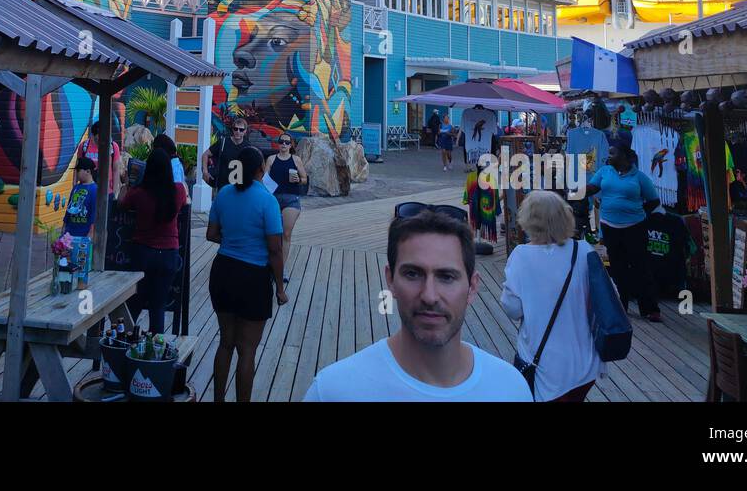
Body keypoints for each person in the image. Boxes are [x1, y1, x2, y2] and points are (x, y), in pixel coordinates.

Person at [304, 207, 531, 401]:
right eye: (413, 274)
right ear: (390, 280)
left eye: (446, 277)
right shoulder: (334, 392)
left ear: (472, 287)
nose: (429, 296)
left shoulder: (512, 390)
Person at [501, 191, 603, 401]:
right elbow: (609, 297)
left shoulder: (521, 256)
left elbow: (512, 309)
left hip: (543, 364)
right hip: (585, 363)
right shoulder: (583, 250)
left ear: (528, 219)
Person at [207, 145, 286, 402]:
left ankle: (218, 399)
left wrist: (235, 240)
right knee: (247, 351)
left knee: (225, 343)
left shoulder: (224, 194)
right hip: (253, 278)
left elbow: (211, 234)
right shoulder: (267, 201)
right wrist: (280, 289)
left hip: (223, 271)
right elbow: (275, 249)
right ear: (260, 170)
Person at [585, 144, 661, 322]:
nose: (608, 156)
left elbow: (653, 200)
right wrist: (575, 191)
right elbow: (593, 188)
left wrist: (639, 213)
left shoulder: (639, 177)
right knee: (617, 268)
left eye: (612, 153)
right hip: (610, 227)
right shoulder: (605, 172)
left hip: (635, 227)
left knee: (640, 267)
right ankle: (621, 305)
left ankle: (650, 308)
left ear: (625, 156)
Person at [117, 148, 188, 334]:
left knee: (135, 303)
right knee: (158, 306)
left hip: (143, 252)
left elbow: (121, 203)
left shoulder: (139, 193)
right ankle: (154, 353)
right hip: (168, 255)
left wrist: (127, 183)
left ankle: (123, 345)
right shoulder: (178, 191)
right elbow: (186, 198)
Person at [265, 135, 306, 282]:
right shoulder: (271, 159)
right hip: (273, 199)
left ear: (291, 145)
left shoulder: (296, 160)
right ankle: (270, 264)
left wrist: (299, 180)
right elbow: (264, 178)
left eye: (287, 142)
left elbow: (305, 179)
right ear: (278, 144)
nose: (283, 144)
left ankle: (281, 268)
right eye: (281, 141)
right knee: (273, 234)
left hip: (291, 199)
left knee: (286, 234)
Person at [203, 115, 251, 191]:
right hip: (222, 186)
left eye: (241, 130)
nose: (238, 132)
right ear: (232, 130)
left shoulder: (248, 147)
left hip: (239, 187)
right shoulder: (224, 142)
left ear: (245, 131)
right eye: (235, 129)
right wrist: (205, 171)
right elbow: (205, 154)